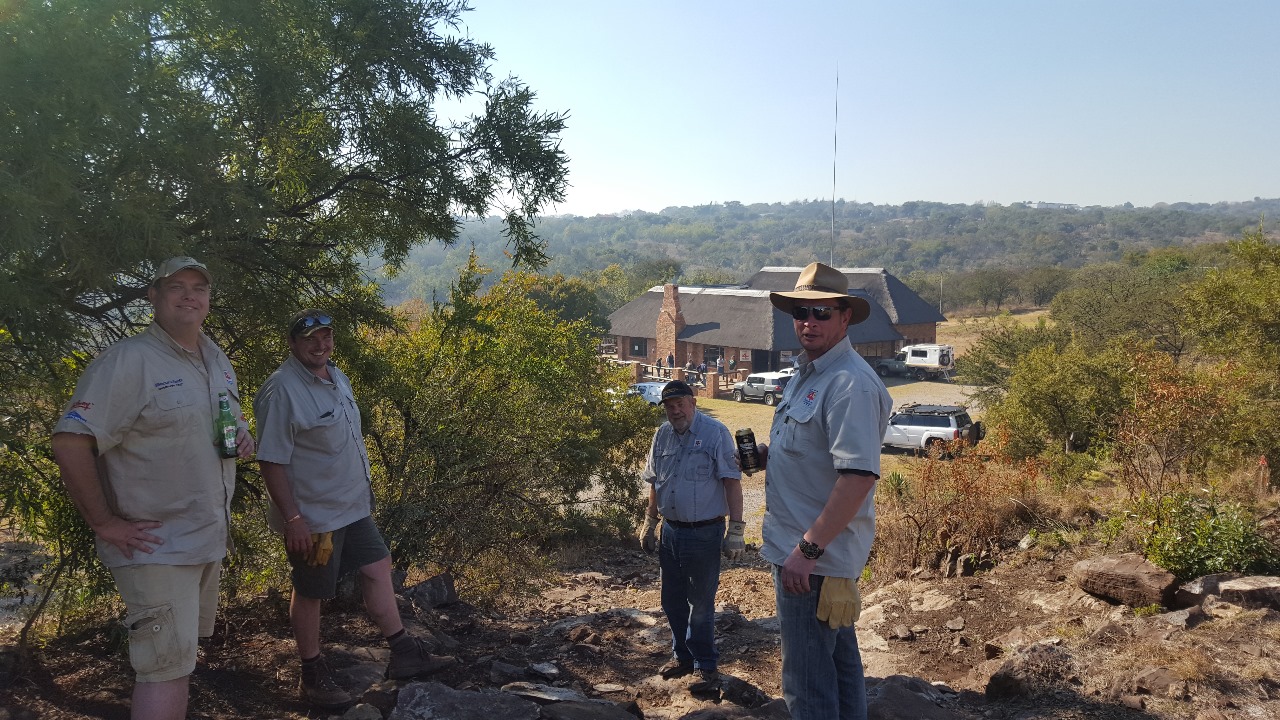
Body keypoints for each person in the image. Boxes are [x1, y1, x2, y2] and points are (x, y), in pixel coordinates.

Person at [51, 256, 255, 720]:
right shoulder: (128, 361)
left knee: (178, 663)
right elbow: (71, 441)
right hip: (156, 546)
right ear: (154, 296)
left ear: (208, 299)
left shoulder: (216, 358)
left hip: (204, 539)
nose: (189, 295)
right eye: (176, 286)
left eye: (199, 288)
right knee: (163, 668)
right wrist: (104, 522)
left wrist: (242, 435)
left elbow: (227, 421)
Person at [254, 309, 456, 708]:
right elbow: (271, 461)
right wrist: (293, 519)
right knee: (311, 591)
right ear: (292, 344)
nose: (320, 345)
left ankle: (405, 654)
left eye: (325, 337)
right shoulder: (282, 391)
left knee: (378, 566)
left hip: (351, 506)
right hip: (316, 518)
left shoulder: (336, 375)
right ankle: (311, 676)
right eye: (309, 339)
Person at [756, 262, 892, 720]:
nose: (808, 322)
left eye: (822, 312)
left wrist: (807, 551)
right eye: (801, 312)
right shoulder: (808, 373)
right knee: (837, 672)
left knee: (807, 687)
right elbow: (821, 453)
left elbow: (858, 478)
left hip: (812, 563)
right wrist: (770, 454)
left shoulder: (849, 384)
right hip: (809, 558)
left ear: (845, 317)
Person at [637, 380, 745, 684]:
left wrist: (736, 530)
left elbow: (732, 482)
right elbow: (655, 482)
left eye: (680, 404)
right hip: (670, 532)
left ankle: (704, 665)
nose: (675, 411)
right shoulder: (662, 434)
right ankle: (682, 656)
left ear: (693, 403)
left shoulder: (715, 433)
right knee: (671, 599)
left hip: (704, 533)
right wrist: (650, 521)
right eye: (670, 406)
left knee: (700, 603)